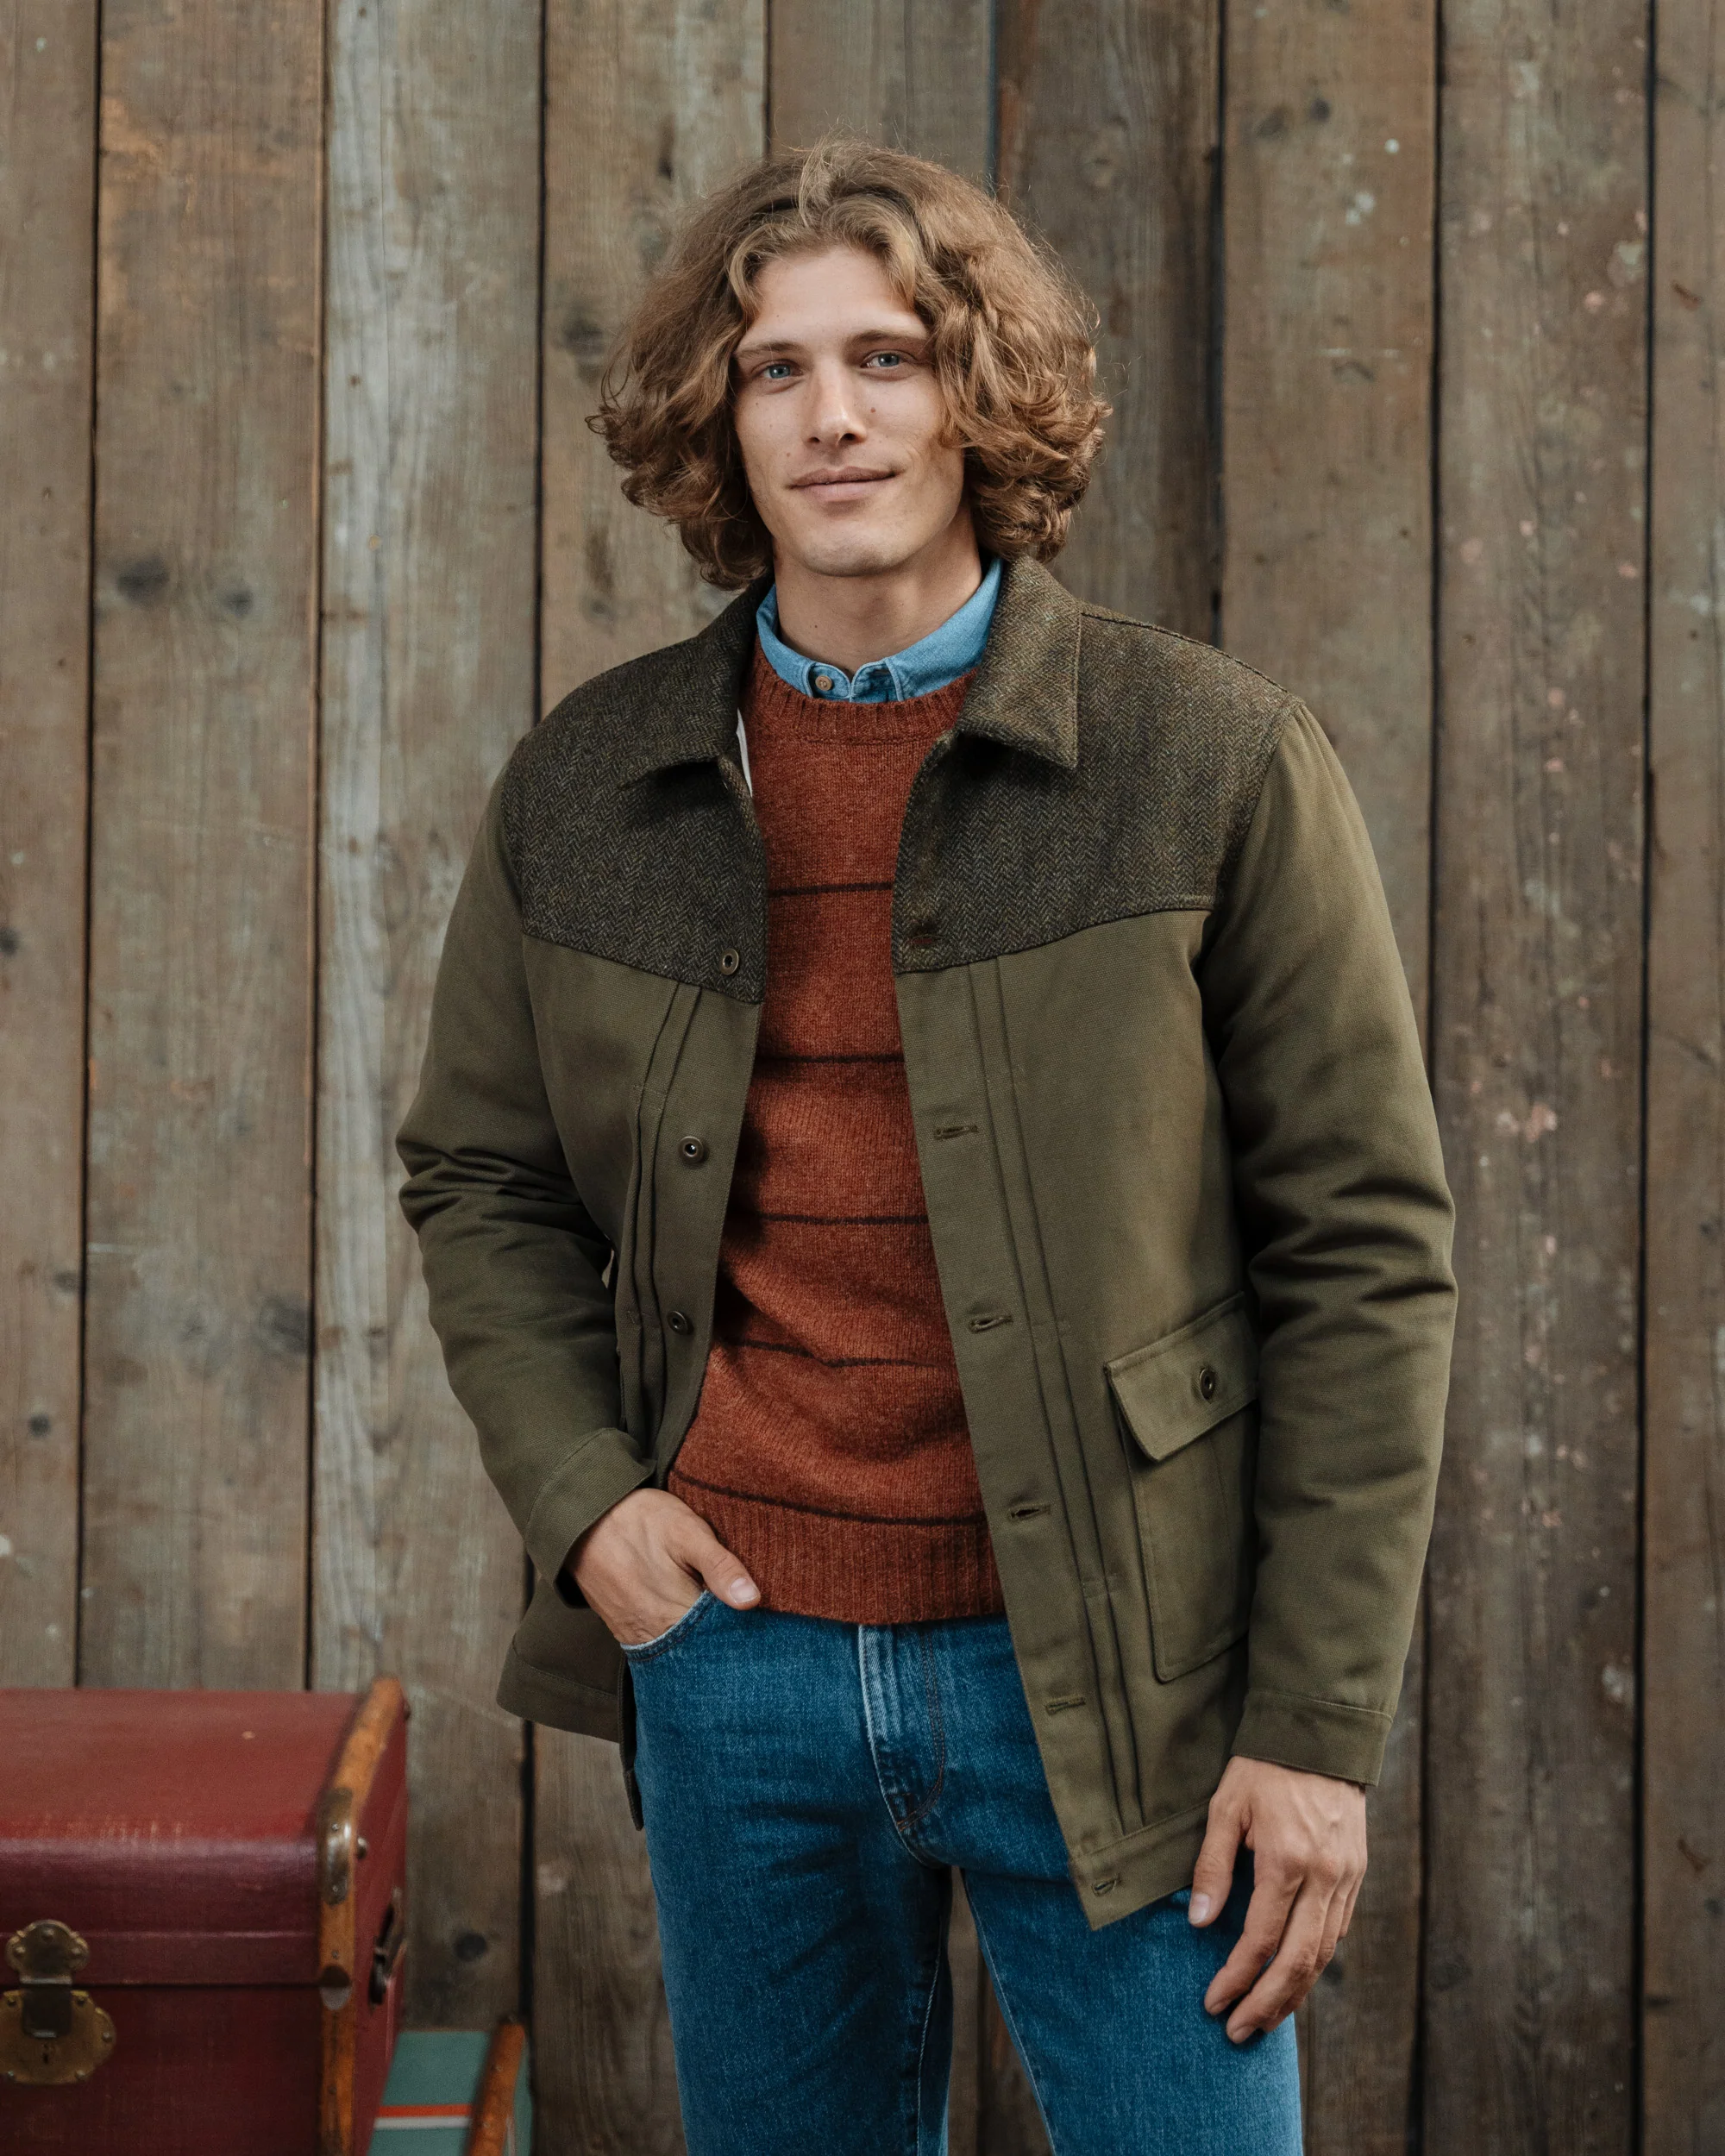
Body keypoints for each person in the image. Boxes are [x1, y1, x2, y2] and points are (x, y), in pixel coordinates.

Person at [398, 138, 1456, 2156]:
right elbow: (482, 1175)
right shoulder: (586, 785)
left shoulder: (1209, 760)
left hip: (1122, 1675)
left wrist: (1314, 1731)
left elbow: (1364, 1254)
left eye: (888, 356)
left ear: (978, 393)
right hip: (737, 1666)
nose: (835, 415)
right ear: (720, 418)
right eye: (776, 368)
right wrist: (588, 1506)